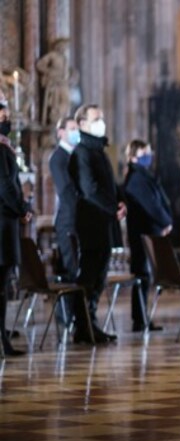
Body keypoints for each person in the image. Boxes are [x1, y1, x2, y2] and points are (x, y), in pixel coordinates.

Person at [68, 104, 123, 344]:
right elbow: (90, 190)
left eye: (101, 117)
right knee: (89, 276)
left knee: (100, 275)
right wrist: (112, 207)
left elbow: (109, 184)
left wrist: (120, 202)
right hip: (91, 221)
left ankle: (91, 323)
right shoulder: (82, 152)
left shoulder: (98, 150)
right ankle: (82, 325)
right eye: (96, 118)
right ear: (81, 124)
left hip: (103, 221)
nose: (101, 121)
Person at [123, 139, 172, 332]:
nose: (148, 158)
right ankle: (140, 319)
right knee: (142, 275)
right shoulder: (136, 178)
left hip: (146, 231)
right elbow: (150, 204)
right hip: (142, 233)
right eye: (144, 154)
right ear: (134, 157)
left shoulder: (141, 175)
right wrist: (165, 221)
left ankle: (142, 318)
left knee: (144, 276)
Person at [0, 94, 33, 356]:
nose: (7, 121)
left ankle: (3, 337)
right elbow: (6, 187)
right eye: (3, 117)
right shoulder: (1, 150)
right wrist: (23, 209)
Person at [49, 117, 81, 325]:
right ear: (60, 132)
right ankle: (67, 317)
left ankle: (78, 315)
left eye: (77, 129)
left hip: (77, 220)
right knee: (70, 269)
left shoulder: (75, 155)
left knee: (78, 269)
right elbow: (67, 191)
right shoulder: (58, 158)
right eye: (71, 129)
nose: (75, 132)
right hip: (68, 221)